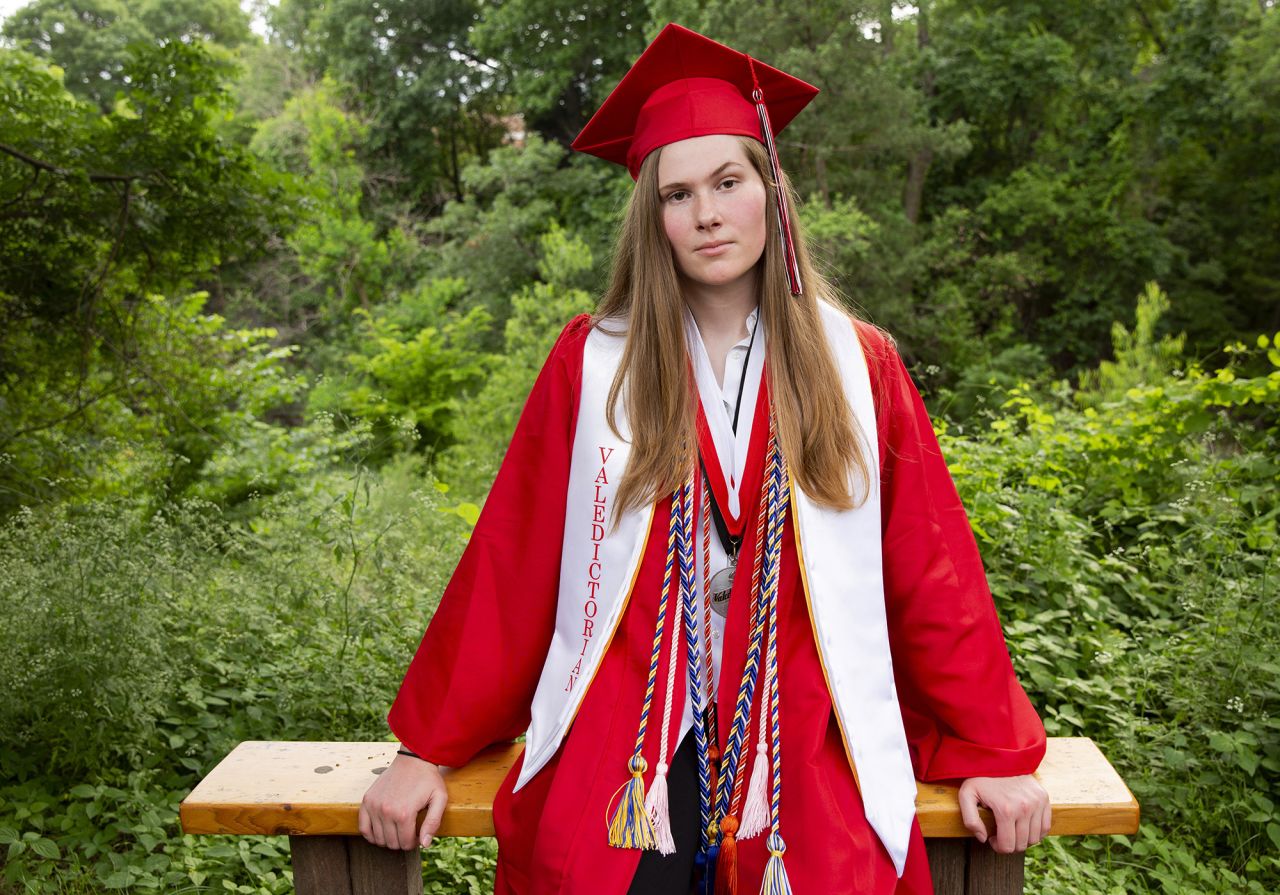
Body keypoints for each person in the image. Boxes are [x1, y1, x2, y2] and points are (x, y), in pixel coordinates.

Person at [360, 23, 1050, 895]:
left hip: (805, 716)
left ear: (772, 191)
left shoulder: (857, 363)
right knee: (590, 870)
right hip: (634, 721)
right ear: (653, 219)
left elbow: (929, 568)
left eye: (729, 181)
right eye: (677, 194)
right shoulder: (593, 363)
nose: (708, 213)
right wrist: (428, 748)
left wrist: (992, 749)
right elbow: (515, 559)